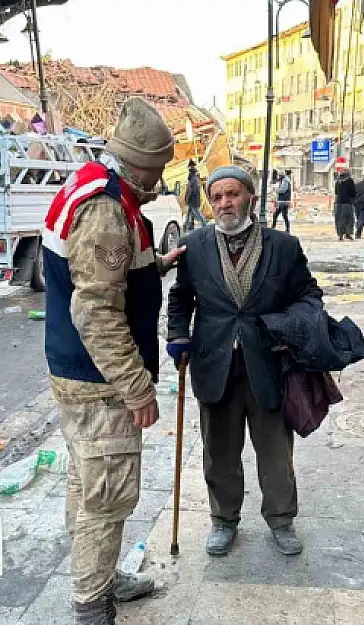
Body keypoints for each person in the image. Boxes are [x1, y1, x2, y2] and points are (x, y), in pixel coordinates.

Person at [41, 98, 187, 625]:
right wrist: (137, 388)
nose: (160, 179)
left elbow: (111, 274)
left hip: (80, 376)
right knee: (106, 498)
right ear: (139, 164)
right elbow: (97, 312)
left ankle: (100, 577)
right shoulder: (105, 206)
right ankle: (90, 608)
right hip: (99, 383)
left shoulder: (100, 186)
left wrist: (158, 266)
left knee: (88, 485)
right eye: (158, 169)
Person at [165, 165, 324, 559]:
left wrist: (289, 327)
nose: (224, 203)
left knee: (275, 451)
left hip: (267, 363)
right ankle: (223, 520)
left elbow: (309, 296)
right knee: (219, 451)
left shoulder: (283, 247)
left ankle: (281, 519)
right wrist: (177, 335)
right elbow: (181, 298)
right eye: (217, 197)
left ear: (250, 196)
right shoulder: (195, 246)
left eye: (232, 194)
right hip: (213, 363)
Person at [334, 168, 357, 240]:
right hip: (347, 203)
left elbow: (336, 192)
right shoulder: (350, 181)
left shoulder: (338, 182)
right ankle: (348, 234)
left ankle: (340, 235)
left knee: (339, 220)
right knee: (348, 219)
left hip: (338, 203)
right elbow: (353, 192)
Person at [185, 160, 207, 231]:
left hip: (193, 199)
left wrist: (188, 197)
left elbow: (193, 190)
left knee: (197, 213)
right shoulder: (195, 178)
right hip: (193, 199)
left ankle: (204, 225)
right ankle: (189, 225)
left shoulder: (193, 179)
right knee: (189, 213)